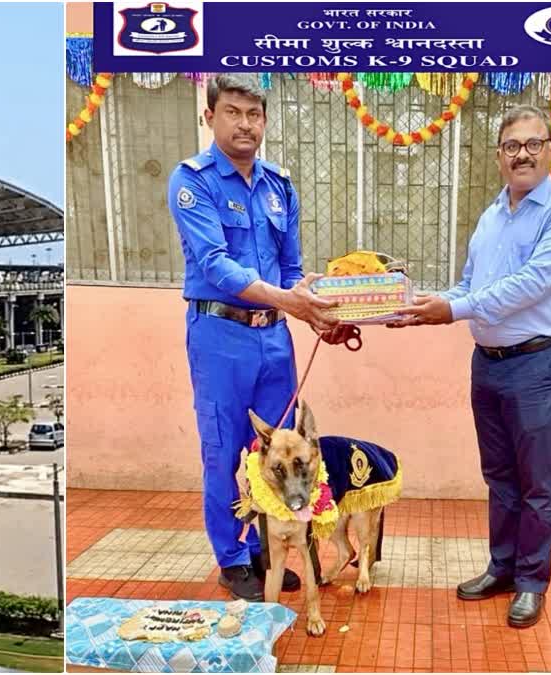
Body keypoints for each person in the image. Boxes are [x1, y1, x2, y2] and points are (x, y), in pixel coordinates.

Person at [389, 104, 551, 628]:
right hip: (489, 363)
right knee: (500, 476)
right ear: (500, 156)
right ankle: (501, 568)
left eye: (533, 144)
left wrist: (454, 308)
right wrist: (422, 309)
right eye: (511, 146)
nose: (522, 153)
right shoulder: (492, 213)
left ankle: (531, 582)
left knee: (537, 482)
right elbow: (471, 287)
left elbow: (530, 285)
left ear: (549, 149)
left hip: (536, 364)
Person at [167, 73, 348, 601]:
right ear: (210, 117)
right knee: (224, 450)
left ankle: (265, 547)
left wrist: (314, 307)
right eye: (233, 112)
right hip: (220, 335)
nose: (245, 124)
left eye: (254, 114)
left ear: (264, 120)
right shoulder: (192, 181)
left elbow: (290, 268)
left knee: (277, 448)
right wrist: (289, 298)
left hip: (275, 338)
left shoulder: (279, 186)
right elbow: (217, 267)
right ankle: (233, 557)